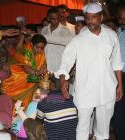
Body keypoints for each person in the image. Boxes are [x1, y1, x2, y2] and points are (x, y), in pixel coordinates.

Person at [55, 2, 123, 140]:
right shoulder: (79, 39)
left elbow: (117, 63)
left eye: (94, 17)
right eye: (87, 17)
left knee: (103, 130)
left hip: (107, 89)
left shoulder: (112, 36)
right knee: (83, 128)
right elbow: (66, 62)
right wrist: (63, 80)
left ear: (101, 17)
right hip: (85, 90)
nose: (90, 21)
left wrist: (120, 85)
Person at [1, 34, 47, 109]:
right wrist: (37, 73)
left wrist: (44, 68)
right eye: (37, 47)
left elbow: (43, 63)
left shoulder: (41, 53)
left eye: (42, 48)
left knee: (37, 95)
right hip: (18, 80)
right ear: (31, 44)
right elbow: (26, 68)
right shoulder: (25, 51)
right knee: (17, 103)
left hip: (31, 81)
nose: (39, 50)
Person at [113, 3, 125, 140]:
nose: (122, 22)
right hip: (118, 76)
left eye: (124, 19)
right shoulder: (117, 33)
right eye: (120, 19)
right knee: (118, 112)